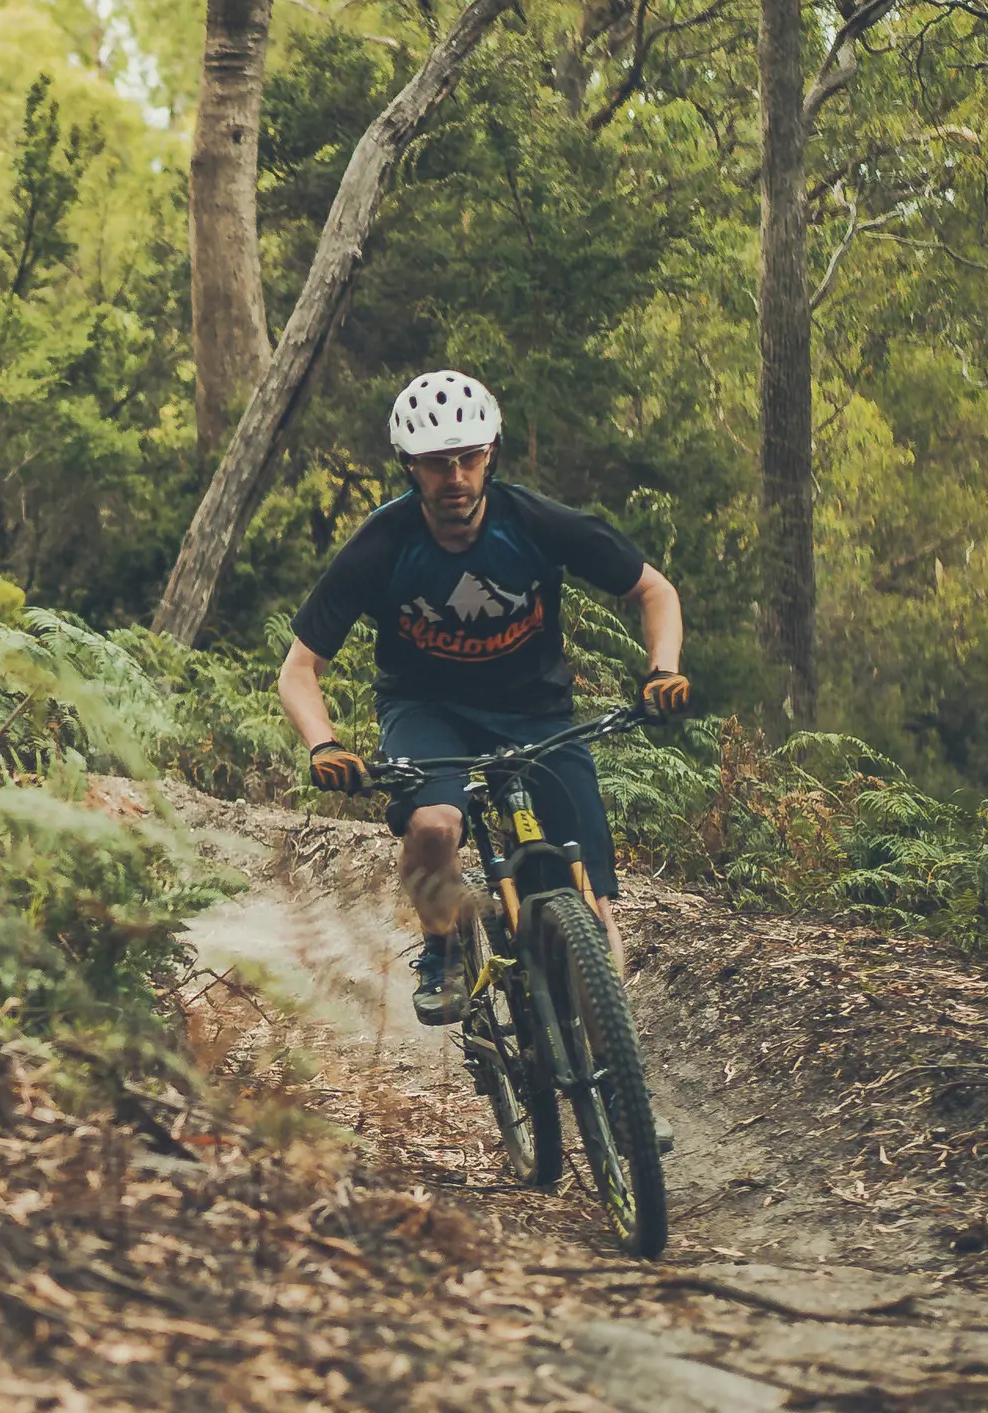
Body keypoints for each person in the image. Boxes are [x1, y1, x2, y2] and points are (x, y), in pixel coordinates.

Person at [274, 370, 691, 1046]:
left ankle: (618, 1080)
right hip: (427, 709)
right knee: (434, 826)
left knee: (591, 899)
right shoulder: (383, 544)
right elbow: (299, 669)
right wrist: (324, 743)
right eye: (438, 463)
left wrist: (661, 671)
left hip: (538, 711)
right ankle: (440, 946)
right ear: (412, 466)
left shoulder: (534, 522)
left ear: (491, 452)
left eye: (469, 457)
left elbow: (655, 590)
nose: (456, 477)